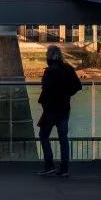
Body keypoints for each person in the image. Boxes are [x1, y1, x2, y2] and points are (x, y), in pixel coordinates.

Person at [36, 45, 82, 177]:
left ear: (50, 56)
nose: (45, 56)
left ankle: (49, 165)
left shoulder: (50, 71)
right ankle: (64, 168)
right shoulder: (68, 68)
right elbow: (78, 86)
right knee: (63, 138)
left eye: (46, 54)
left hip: (50, 109)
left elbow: (46, 91)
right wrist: (67, 94)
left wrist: (44, 103)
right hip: (64, 108)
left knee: (44, 135)